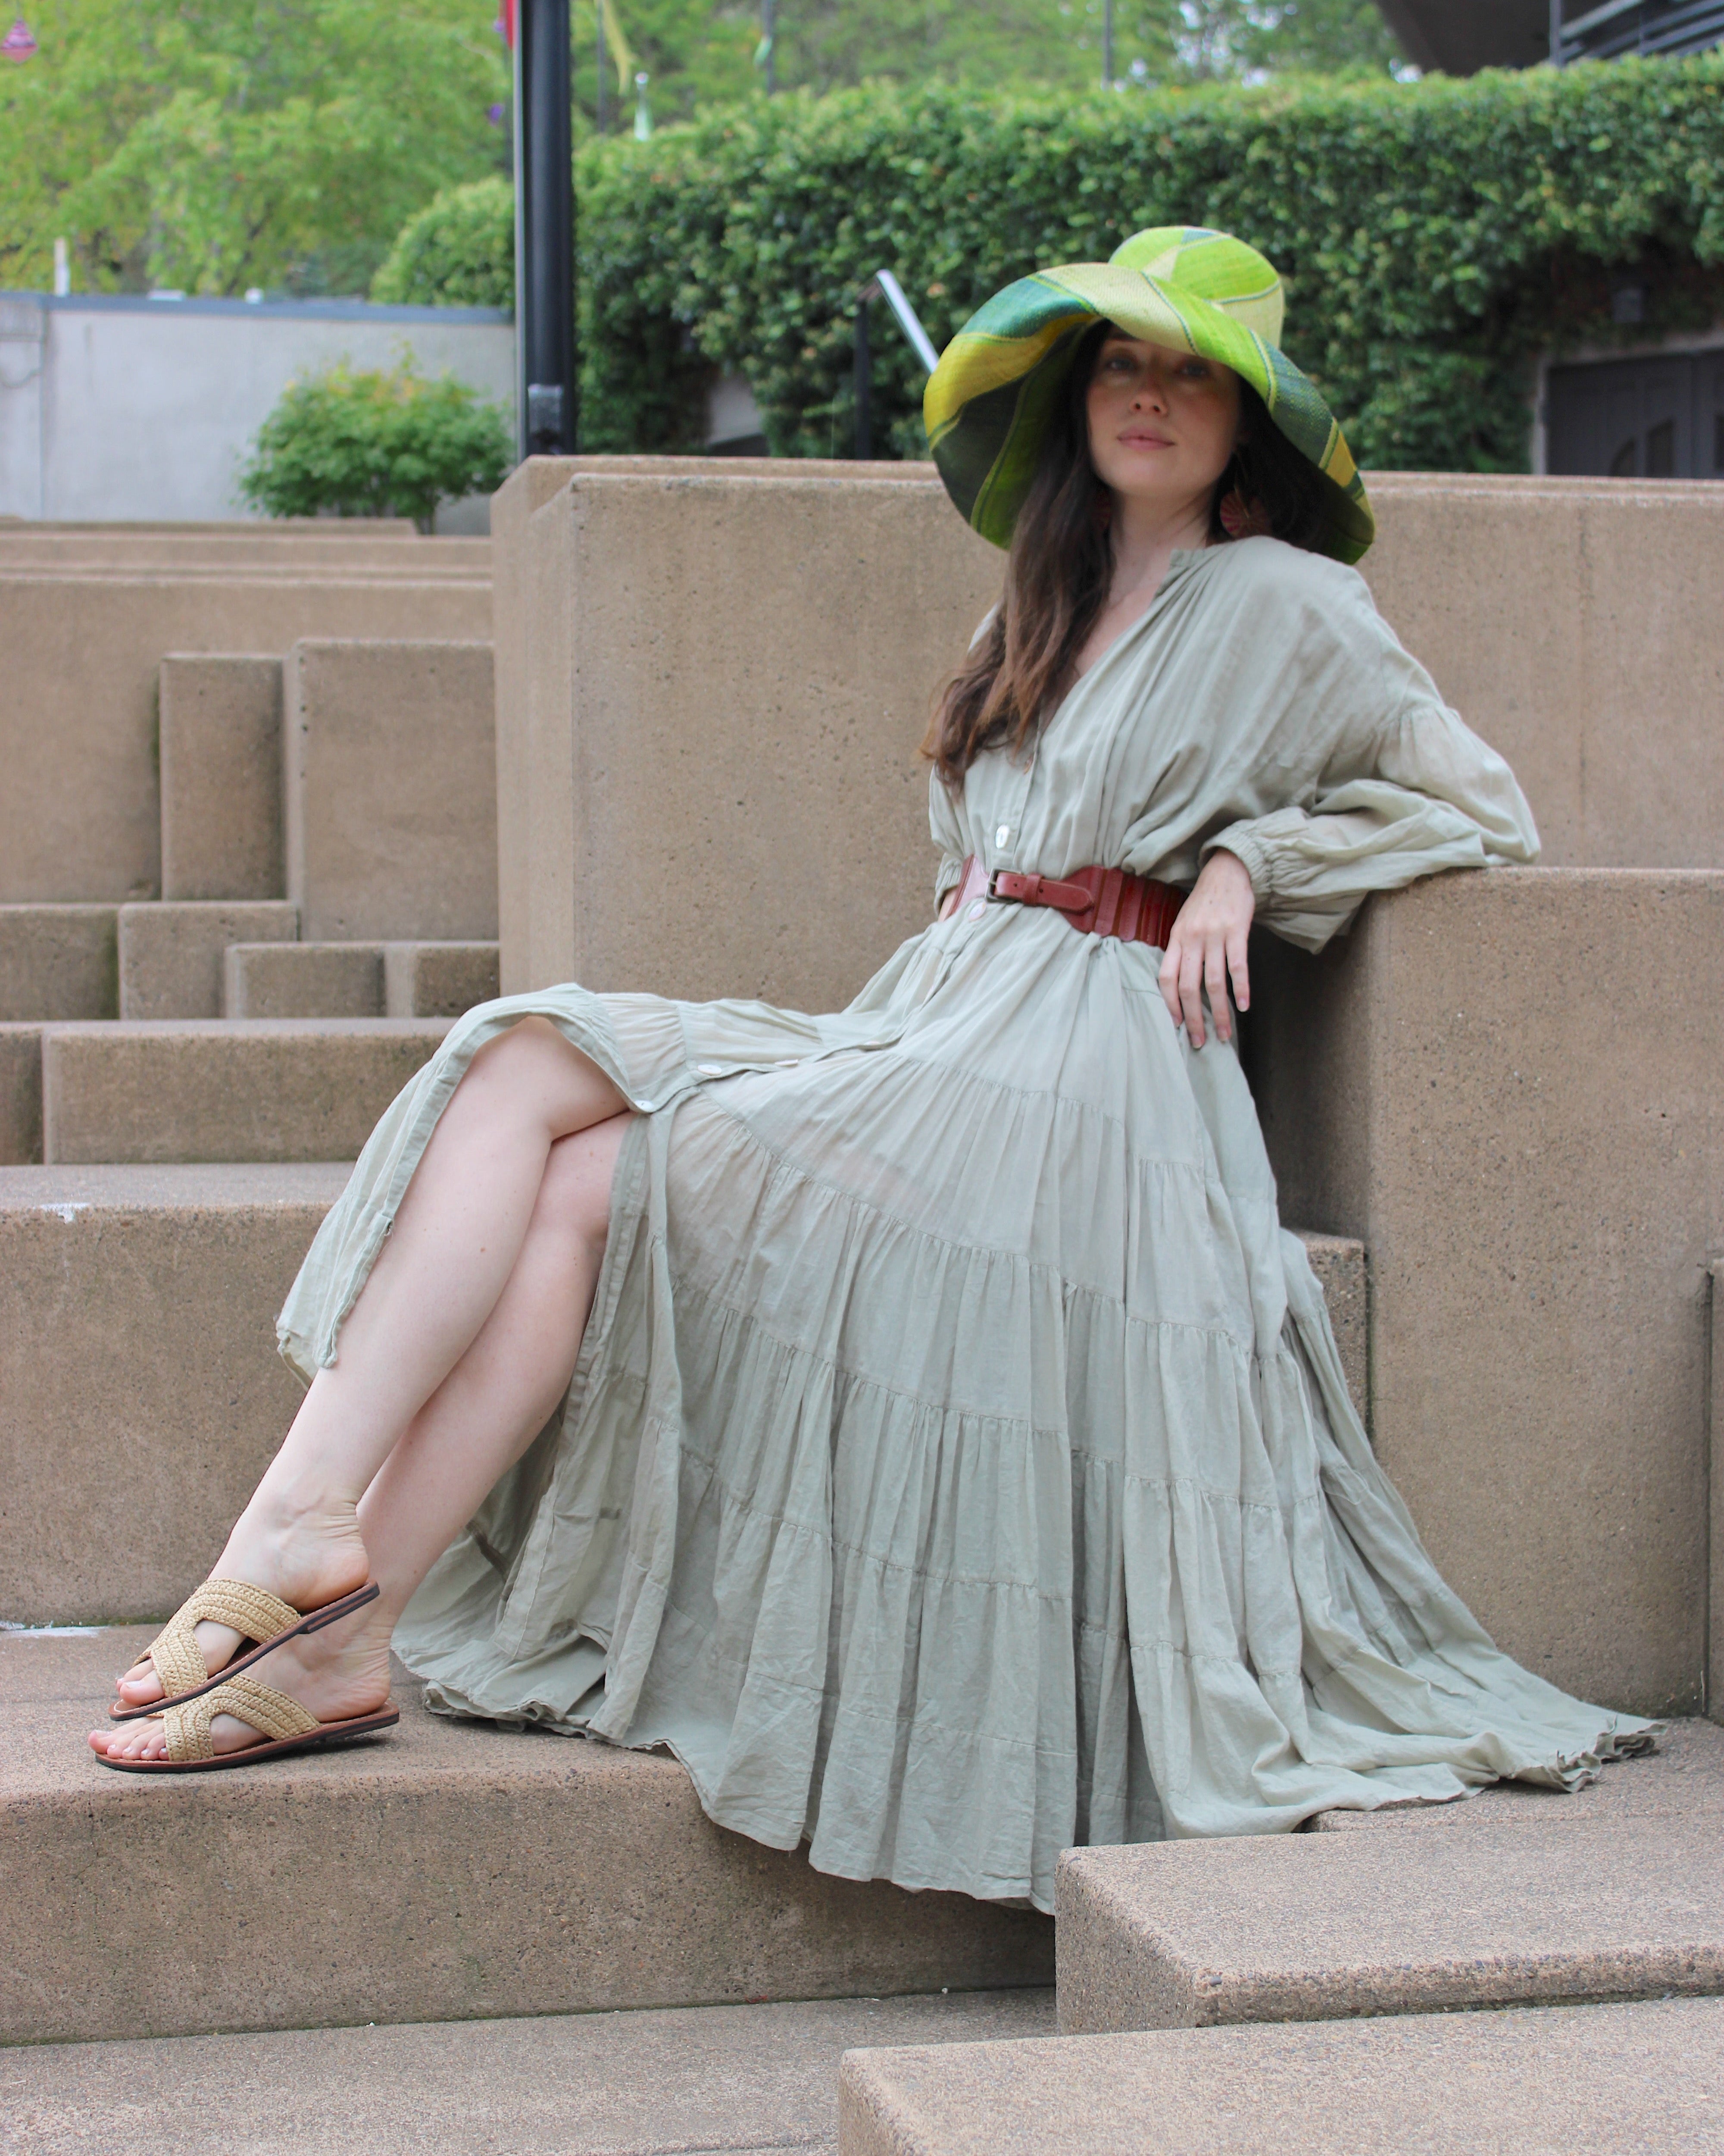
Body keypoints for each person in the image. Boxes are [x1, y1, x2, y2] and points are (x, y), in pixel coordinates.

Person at [91, 227, 1653, 1906]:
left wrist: (1248, 862)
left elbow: (1477, 802)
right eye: (1122, 362)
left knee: (588, 1173)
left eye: (1192, 373)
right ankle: (327, 1582)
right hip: (932, 1020)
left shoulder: (1291, 602)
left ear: (1246, 424)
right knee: (530, 1062)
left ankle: (309, 1576)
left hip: (1080, 1080)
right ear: (1077, 401)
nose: (1149, 394)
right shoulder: (1035, 607)